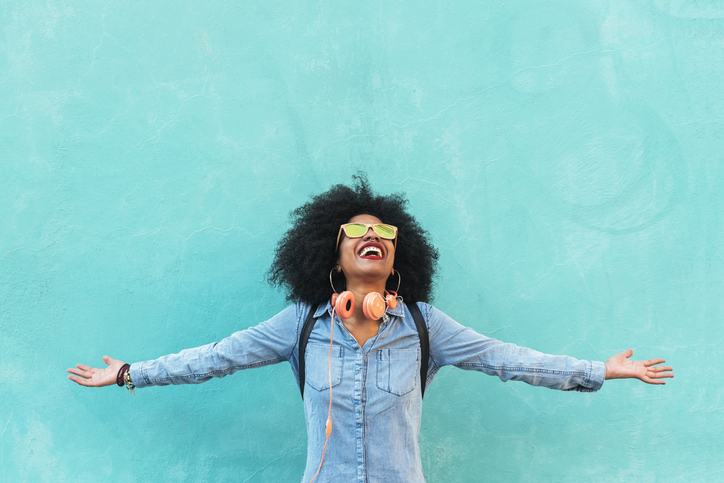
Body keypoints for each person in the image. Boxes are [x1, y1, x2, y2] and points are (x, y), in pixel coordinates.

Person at [68, 175, 673, 482]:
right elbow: (214, 358)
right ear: (331, 257)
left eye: (384, 233)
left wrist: (600, 370)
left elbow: (505, 357)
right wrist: (128, 374)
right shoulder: (299, 326)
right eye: (356, 232)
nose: (372, 238)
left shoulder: (424, 326)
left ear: (397, 256)